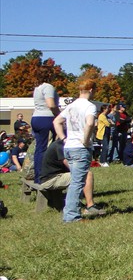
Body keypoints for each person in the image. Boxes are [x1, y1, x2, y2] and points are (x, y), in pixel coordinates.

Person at [52, 78, 98, 223]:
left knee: (76, 180)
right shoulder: (90, 106)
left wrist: (63, 138)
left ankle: (71, 213)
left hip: (69, 147)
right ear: (91, 90)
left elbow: (56, 121)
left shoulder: (71, 106)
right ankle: (71, 216)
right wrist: (85, 139)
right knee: (78, 182)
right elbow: (90, 123)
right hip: (80, 148)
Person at [39, 137, 104, 215]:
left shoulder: (59, 144)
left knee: (82, 175)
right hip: (50, 180)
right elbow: (72, 167)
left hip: (54, 176)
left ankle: (78, 203)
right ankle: (90, 206)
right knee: (87, 175)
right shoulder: (60, 146)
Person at [31, 67, 60, 183]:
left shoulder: (37, 88)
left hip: (36, 118)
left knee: (39, 148)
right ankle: (45, 176)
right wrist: (61, 115)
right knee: (48, 148)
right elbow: (51, 105)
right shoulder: (48, 87)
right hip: (46, 119)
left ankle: (38, 176)